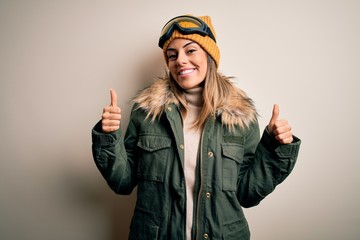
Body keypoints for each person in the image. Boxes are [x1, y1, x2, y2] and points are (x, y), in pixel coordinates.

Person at [92, 14, 301, 240]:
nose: (180, 60)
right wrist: (108, 136)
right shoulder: (147, 112)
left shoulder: (240, 117)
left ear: (209, 55)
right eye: (172, 55)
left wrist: (274, 147)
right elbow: (123, 182)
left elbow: (247, 194)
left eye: (190, 51)